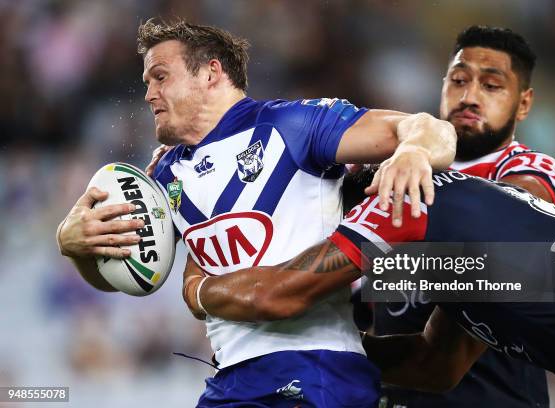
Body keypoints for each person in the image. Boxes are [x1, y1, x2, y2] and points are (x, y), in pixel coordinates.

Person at [56, 19, 456, 407]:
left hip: (318, 366)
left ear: (211, 73)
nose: (148, 94)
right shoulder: (164, 173)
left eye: (160, 77)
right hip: (231, 379)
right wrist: (75, 247)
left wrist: (414, 152)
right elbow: (131, 277)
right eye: (146, 83)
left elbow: (431, 129)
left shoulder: (295, 124)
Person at [184, 170, 555, 408]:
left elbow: (277, 293)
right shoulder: (460, 248)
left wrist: (195, 286)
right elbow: (436, 366)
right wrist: (323, 349)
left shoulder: (398, 203)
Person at [371, 25, 555, 407]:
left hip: (493, 396)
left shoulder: (531, 170)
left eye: (492, 86)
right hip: (395, 391)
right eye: (459, 80)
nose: (470, 96)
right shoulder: (394, 165)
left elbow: (500, 233)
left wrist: (369, 257)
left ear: (524, 103)